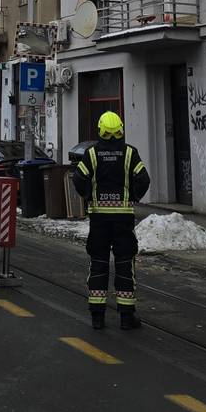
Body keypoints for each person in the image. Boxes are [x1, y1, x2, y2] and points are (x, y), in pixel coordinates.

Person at [73, 111, 150, 331]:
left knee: (98, 263)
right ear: (120, 130)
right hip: (123, 220)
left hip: (99, 220)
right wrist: (133, 195)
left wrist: (89, 196)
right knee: (125, 264)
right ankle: (126, 316)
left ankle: (98, 316)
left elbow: (78, 178)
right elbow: (143, 179)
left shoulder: (92, 154)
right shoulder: (129, 154)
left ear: (100, 130)